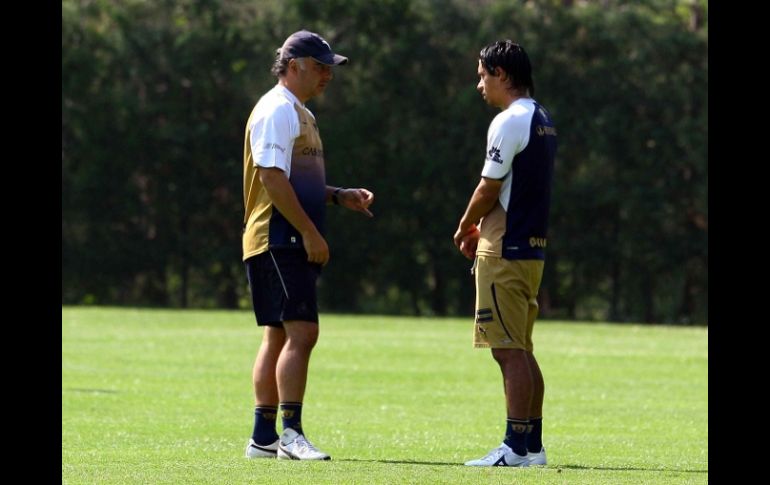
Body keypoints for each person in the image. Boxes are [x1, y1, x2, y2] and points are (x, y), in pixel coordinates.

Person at [242, 30, 374, 461]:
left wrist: (338, 195)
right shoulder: (277, 109)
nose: (327, 75)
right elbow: (272, 178)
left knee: (278, 336)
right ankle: (291, 434)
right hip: (280, 237)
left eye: (329, 67)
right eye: (320, 67)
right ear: (294, 64)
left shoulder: (300, 113)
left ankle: (263, 438)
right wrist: (311, 233)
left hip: (282, 236)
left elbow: (297, 178)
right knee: (303, 332)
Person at [453, 40, 556, 468]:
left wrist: (463, 226)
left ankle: (515, 445)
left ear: (501, 74)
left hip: (505, 246)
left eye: (482, 74)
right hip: (531, 248)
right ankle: (531, 445)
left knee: (508, 350)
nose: (479, 84)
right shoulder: (542, 117)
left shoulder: (509, 120)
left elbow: (488, 187)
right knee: (522, 348)